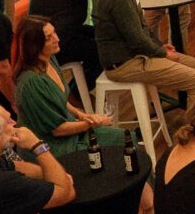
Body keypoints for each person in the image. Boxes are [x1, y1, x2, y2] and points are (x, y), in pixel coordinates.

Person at [10, 17, 120, 157]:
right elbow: (58, 130)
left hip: (67, 132)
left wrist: (81, 114)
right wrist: (91, 123)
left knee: (124, 138)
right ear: (34, 45)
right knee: (118, 146)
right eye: (48, 38)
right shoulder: (31, 82)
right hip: (50, 148)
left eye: (54, 33)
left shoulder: (49, 60)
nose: (57, 39)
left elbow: (60, 100)